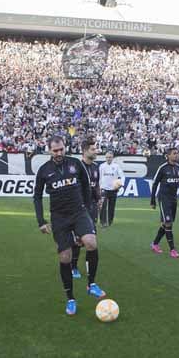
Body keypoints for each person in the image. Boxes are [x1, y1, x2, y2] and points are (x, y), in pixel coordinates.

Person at [34, 135, 106, 317]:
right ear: (49, 150)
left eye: (61, 149)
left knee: (91, 243)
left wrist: (88, 206)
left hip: (79, 212)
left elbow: (86, 186)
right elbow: (37, 196)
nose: (59, 153)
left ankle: (92, 284)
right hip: (59, 218)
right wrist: (41, 221)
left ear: (65, 148)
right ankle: (71, 299)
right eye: (55, 150)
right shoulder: (44, 170)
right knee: (65, 257)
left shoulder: (76, 164)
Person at [150, 148, 179, 258]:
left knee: (166, 224)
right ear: (168, 155)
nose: (177, 155)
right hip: (164, 198)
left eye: (177, 153)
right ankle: (172, 249)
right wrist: (153, 200)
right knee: (168, 222)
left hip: (174, 199)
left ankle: (155, 244)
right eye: (174, 153)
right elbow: (155, 184)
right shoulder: (163, 168)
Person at [71, 137, 101, 279]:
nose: (96, 151)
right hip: (78, 209)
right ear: (84, 151)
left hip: (92, 208)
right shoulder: (77, 167)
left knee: (91, 240)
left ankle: (90, 272)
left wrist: (99, 199)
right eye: (93, 149)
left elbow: (96, 185)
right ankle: (74, 266)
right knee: (78, 240)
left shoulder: (96, 167)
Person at [98, 151, 124, 227]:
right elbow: (99, 177)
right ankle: (103, 222)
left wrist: (121, 184)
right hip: (104, 189)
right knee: (102, 206)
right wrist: (99, 187)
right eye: (107, 157)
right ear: (105, 158)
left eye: (110, 157)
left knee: (111, 207)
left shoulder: (116, 166)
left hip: (113, 189)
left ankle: (110, 221)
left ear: (112, 158)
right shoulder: (102, 166)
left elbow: (122, 176)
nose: (108, 159)